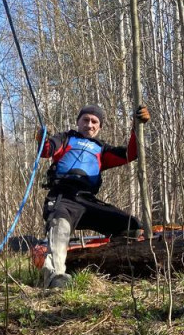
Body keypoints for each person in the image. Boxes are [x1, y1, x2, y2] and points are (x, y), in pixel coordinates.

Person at [39, 103, 150, 289]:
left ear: (99, 127)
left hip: (87, 200)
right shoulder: (66, 138)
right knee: (60, 227)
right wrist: (41, 138)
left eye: (94, 122)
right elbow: (46, 150)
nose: (89, 125)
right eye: (86, 120)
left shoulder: (101, 149)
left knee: (131, 226)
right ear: (78, 122)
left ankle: (120, 266)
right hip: (62, 197)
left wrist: (137, 128)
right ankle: (55, 277)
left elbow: (130, 154)